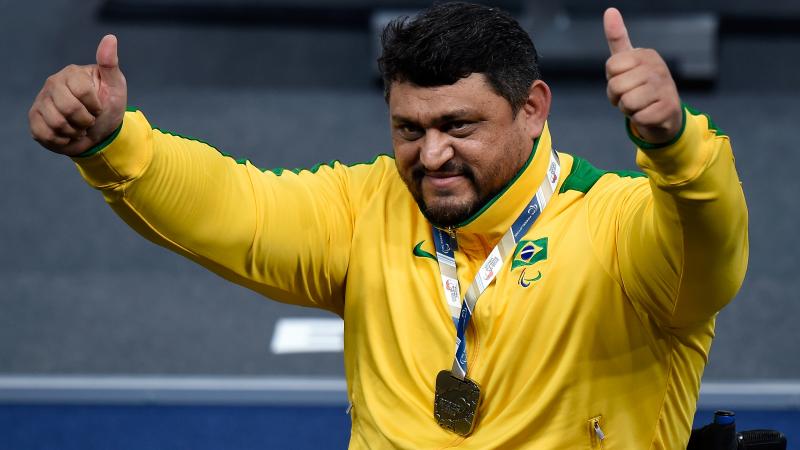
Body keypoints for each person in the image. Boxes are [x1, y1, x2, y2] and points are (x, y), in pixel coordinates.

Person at [28, 2, 748, 448]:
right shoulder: (368, 206)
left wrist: (673, 142)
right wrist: (111, 141)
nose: (430, 155)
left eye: (458, 126)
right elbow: (233, 209)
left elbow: (712, 244)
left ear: (533, 108)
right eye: (409, 128)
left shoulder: (624, 225)